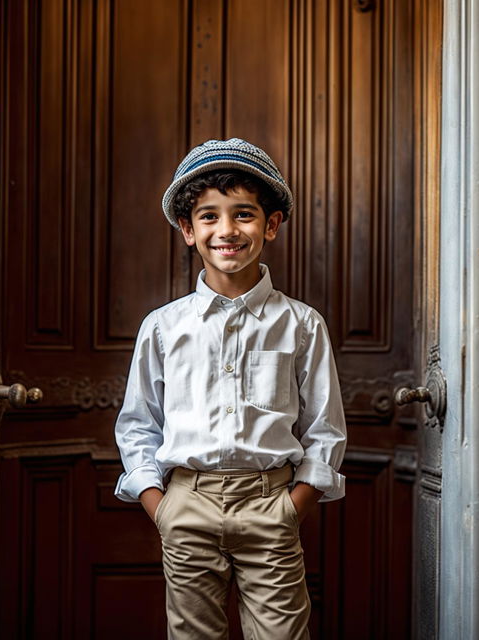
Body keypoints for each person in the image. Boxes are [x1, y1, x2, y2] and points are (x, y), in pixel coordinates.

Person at [114, 138, 347, 639]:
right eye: (208, 217)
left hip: (270, 504)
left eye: (243, 214)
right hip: (186, 504)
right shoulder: (162, 327)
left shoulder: (301, 325)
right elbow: (138, 425)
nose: (227, 230)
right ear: (187, 230)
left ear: (271, 225)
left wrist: (293, 506)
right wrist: (162, 506)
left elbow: (324, 429)